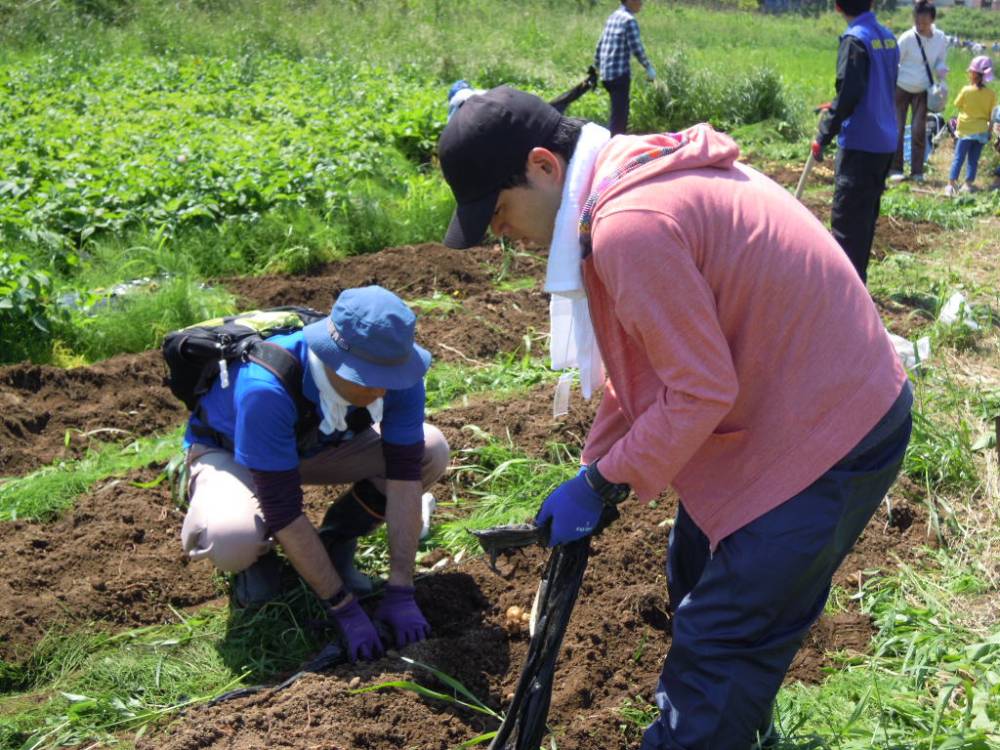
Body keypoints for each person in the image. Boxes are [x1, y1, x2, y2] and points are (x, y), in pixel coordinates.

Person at [436, 85, 912, 750]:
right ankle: (743, 733)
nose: (501, 235)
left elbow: (697, 391)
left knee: (722, 639)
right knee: (693, 565)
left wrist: (603, 484)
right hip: (787, 396)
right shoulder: (622, 178)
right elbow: (647, 367)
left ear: (543, 166)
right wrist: (594, 471)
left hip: (832, 428)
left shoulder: (631, 224)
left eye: (500, 212)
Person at [179, 286, 450, 661]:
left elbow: (404, 474)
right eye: (368, 378)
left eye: (388, 378)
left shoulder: (393, 373)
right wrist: (344, 607)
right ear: (332, 356)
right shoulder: (266, 387)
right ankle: (257, 562)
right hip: (233, 452)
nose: (381, 389)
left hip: (315, 445)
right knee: (231, 538)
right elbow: (283, 508)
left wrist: (401, 588)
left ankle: (336, 540)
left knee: (430, 450)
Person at [812, 0, 899, 284]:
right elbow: (875, 85)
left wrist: (823, 134)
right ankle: (858, 284)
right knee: (864, 219)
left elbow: (850, 94)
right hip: (884, 141)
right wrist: (837, 104)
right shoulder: (886, 37)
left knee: (847, 224)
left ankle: (843, 295)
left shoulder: (855, 39)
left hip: (861, 143)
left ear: (837, 6)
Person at [890, 0, 949, 183]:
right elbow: (894, 61)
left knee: (918, 131)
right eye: (917, 22)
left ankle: (917, 171)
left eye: (924, 23)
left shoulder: (940, 38)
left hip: (923, 90)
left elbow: (940, 60)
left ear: (932, 20)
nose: (920, 26)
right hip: (901, 87)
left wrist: (941, 70)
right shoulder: (907, 38)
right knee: (897, 129)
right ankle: (895, 169)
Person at [593, 0, 656, 135]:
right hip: (619, 75)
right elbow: (637, 49)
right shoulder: (629, 21)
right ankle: (614, 148)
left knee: (616, 113)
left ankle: (612, 142)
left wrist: (596, 66)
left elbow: (600, 43)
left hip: (606, 75)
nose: (641, 3)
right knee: (619, 118)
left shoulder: (613, 16)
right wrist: (648, 67)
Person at [945, 56, 996, 196]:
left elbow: (957, 104)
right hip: (981, 132)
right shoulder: (991, 94)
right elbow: (991, 115)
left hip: (966, 130)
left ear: (973, 74)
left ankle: (952, 185)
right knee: (973, 160)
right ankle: (968, 184)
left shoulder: (966, 90)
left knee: (959, 157)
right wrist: (989, 131)